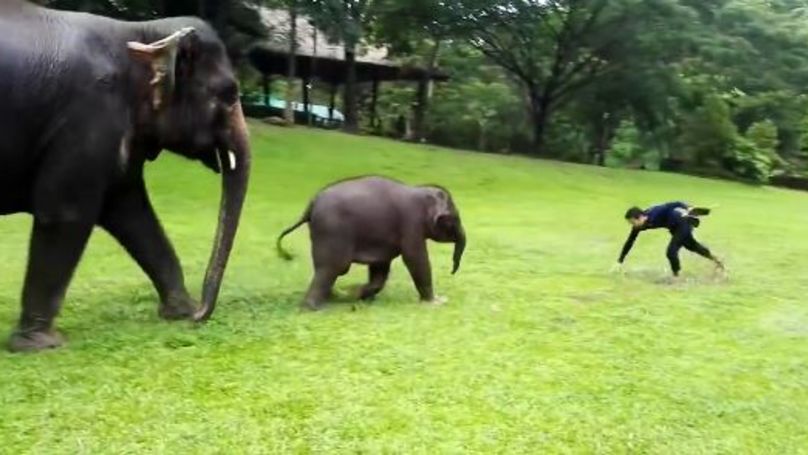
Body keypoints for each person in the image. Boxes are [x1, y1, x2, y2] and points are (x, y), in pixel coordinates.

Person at [616, 201, 724, 277]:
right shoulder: (639, 226)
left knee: (671, 252)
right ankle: (717, 260)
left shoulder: (656, 212)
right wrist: (619, 261)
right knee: (691, 246)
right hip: (674, 227)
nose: (632, 225)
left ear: (640, 217)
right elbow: (630, 241)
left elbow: (674, 203)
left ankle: (676, 276)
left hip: (683, 222)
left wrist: (687, 207)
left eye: (632, 222)